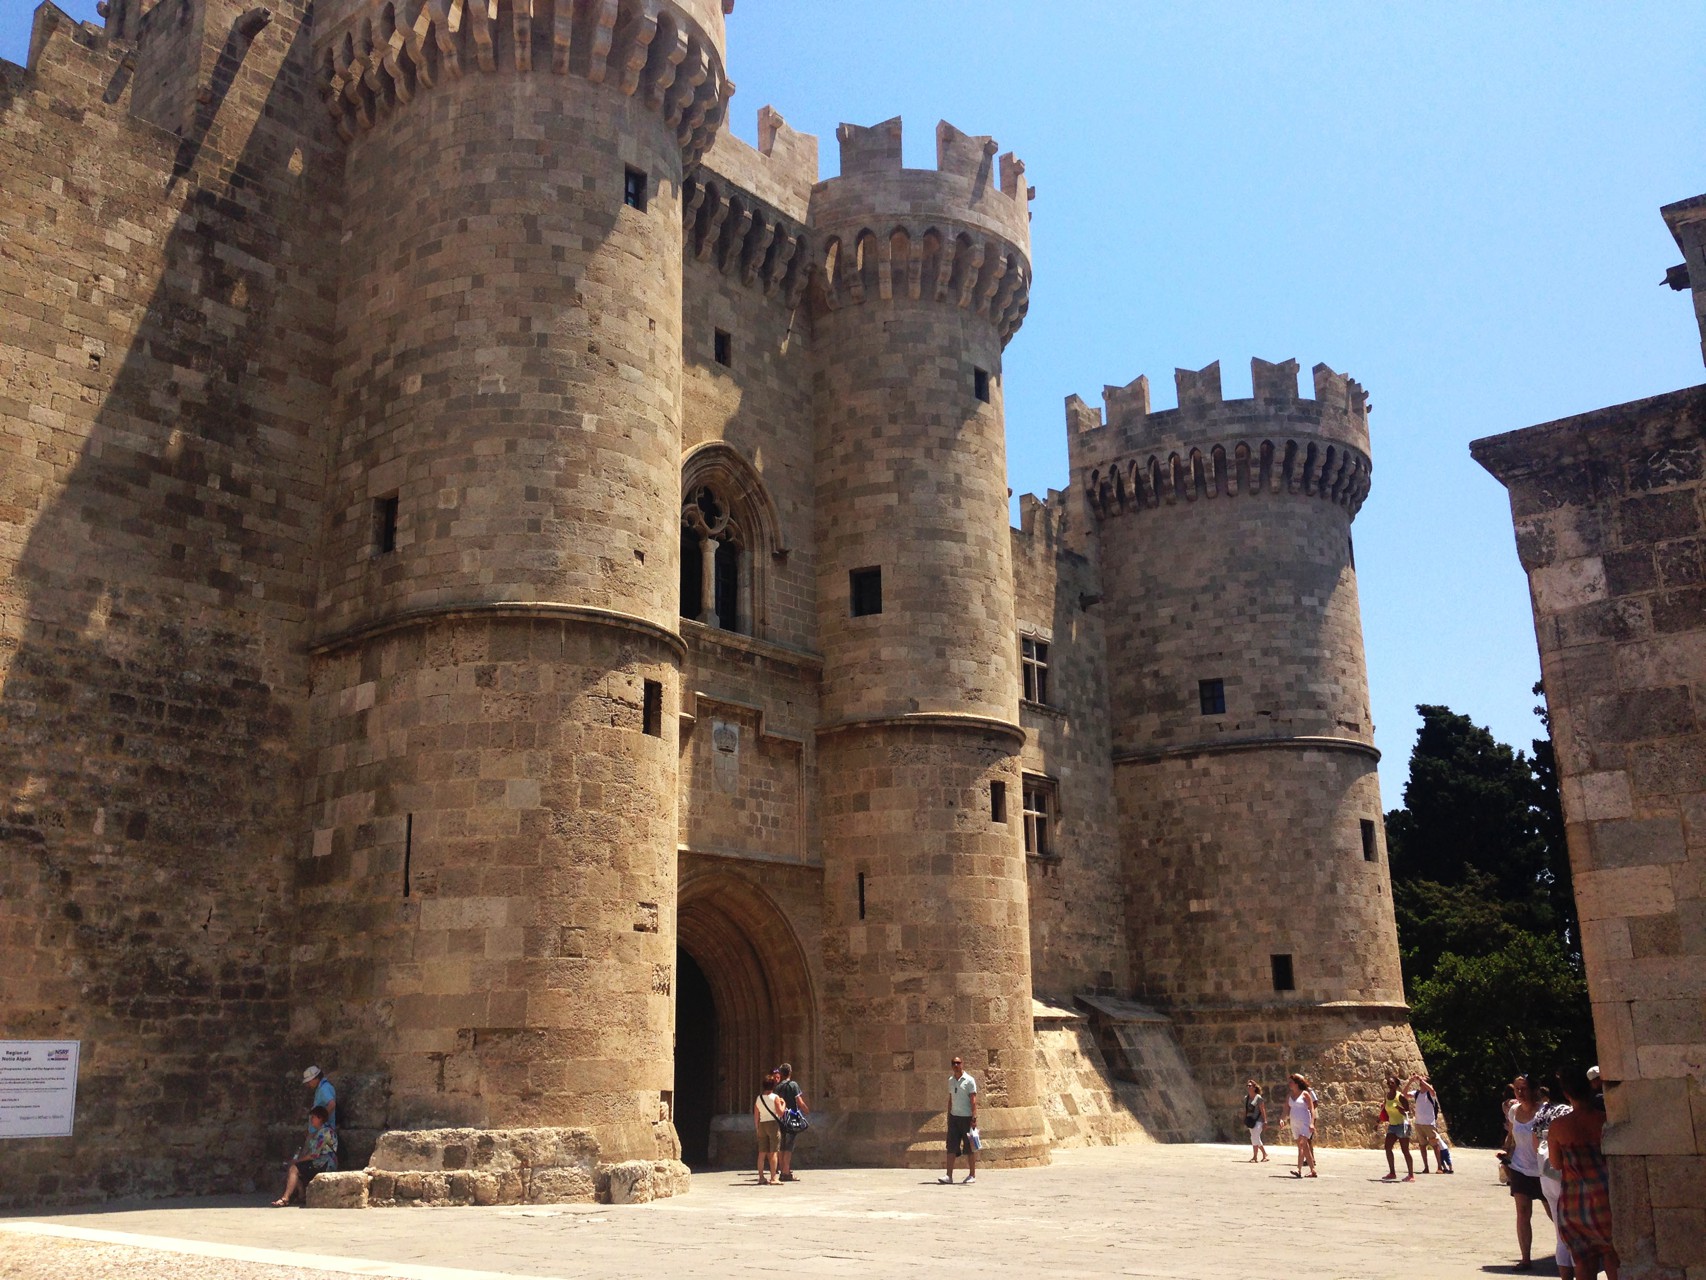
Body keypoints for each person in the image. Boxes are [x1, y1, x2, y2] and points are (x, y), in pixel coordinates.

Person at [1550, 1068, 1619, 1280]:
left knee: (1583, 1261)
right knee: (1612, 1256)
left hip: (1574, 1202)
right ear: (1589, 1089)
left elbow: (1556, 1163)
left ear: (1566, 1094)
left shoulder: (1558, 1126)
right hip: (1605, 1198)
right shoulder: (1605, 1121)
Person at [1505, 1073, 1552, 1271]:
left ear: (1534, 1090)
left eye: (1523, 1088)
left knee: (1555, 1214)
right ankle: (1525, 1258)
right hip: (1520, 1169)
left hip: (1544, 1170)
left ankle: (1571, 1253)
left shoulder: (1545, 1112)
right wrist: (1506, 1155)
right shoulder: (1514, 1111)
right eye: (1517, 1089)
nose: (1520, 1093)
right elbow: (1511, 1135)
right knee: (1522, 1213)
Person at [1536, 1089, 1576, 1280]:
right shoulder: (1566, 1112)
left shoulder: (1542, 1112)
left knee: (1560, 1234)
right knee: (1576, 1234)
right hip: (1565, 1174)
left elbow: (1533, 1140)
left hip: (1546, 1172)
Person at [272, 1105, 337, 1205]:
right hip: (322, 1162)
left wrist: (296, 1161)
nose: (311, 1120)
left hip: (324, 1163)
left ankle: (286, 1198)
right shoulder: (324, 1131)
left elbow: (313, 1155)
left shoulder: (324, 1133)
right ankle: (301, 1195)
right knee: (294, 1168)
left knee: (294, 1168)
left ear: (320, 1118)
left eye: (313, 1117)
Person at [939, 1055, 978, 1185]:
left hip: (966, 1118)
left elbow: (973, 1101)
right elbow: (950, 1099)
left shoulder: (969, 1080)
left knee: (969, 1147)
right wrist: (949, 1115)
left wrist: (974, 1117)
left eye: (958, 1063)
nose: (956, 1065)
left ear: (962, 1064)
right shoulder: (951, 1080)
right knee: (951, 1146)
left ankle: (972, 1174)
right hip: (954, 1117)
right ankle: (948, 1175)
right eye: (954, 1063)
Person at [775, 1062, 810, 1182]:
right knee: (789, 1146)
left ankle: (782, 1170)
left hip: (781, 1118)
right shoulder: (793, 1085)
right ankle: (786, 1172)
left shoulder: (778, 1087)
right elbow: (799, 1101)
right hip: (792, 1118)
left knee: (782, 1146)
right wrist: (806, 1110)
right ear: (790, 1072)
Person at [753, 1072, 787, 1185]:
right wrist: (784, 1103)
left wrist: (757, 1127)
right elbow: (781, 1113)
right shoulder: (775, 1098)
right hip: (773, 1125)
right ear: (773, 1086)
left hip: (762, 1124)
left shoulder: (758, 1098)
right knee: (773, 1152)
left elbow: (756, 1114)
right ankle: (773, 1177)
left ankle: (761, 1177)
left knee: (761, 1153)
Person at [1380, 1073, 1415, 1181]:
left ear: (1396, 1085)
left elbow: (1409, 1112)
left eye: (1392, 1083)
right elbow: (1385, 1108)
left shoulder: (1400, 1097)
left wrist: (1402, 1110)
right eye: (1388, 1083)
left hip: (1402, 1125)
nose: (1390, 1085)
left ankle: (1411, 1175)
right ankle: (1392, 1172)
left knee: (1405, 1150)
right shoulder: (1387, 1096)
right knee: (1387, 1147)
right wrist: (1378, 1121)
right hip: (1392, 1125)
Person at [1408, 1073, 1441, 1172]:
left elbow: (1432, 1090)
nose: (1421, 1081)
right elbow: (1404, 1094)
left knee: (1435, 1145)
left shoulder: (1431, 1094)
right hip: (1419, 1123)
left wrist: (1421, 1080)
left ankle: (1439, 1167)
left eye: (1424, 1080)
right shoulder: (1417, 1093)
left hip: (1429, 1123)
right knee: (1422, 1146)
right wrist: (1410, 1082)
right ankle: (1426, 1167)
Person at [1286, 1073, 1317, 1178]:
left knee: (1302, 1144)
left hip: (1305, 1122)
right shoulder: (1289, 1096)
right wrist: (1282, 1119)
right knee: (1305, 1147)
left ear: (1296, 1083)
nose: (1289, 1084)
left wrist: (1312, 1123)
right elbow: (1285, 1109)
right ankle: (1313, 1170)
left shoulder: (1305, 1094)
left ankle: (1298, 1169)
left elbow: (1312, 1109)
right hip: (1294, 1123)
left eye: (1291, 1082)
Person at [302, 1065, 336, 1132]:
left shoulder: (324, 1088)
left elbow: (332, 1104)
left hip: (323, 1130)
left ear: (316, 1078)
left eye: (309, 1081)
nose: (309, 1084)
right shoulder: (321, 1088)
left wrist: (321, 1119)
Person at [1243, 1080, 1268, 1163]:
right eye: (1247, 1086)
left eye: (1250, 1086)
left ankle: (1255, 1157)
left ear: (1254, 1087)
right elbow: (1245, 1110)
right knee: (1255, 1137)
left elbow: (1262, 1109)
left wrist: (1265, 1121)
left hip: (1258, 1120)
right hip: (1251, 1120)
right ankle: (1264, 1154)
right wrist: (1244, 1118)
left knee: (1254, 1137)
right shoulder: (1246, 1098)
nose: (1248, 1087)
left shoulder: (1258, 1098)